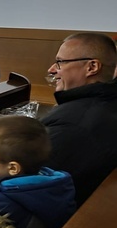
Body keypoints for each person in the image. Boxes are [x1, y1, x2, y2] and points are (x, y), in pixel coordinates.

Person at [42, 32, 117, 206]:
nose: (52, 69)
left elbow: (27, 178)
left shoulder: (73, 124)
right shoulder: (105, 101)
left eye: (60, 62)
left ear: (92, 67)